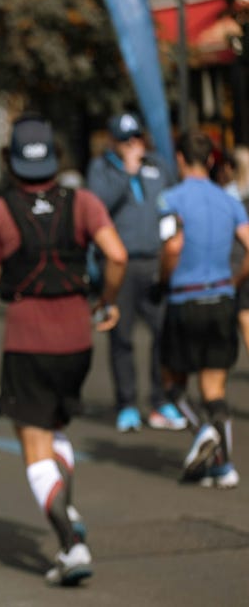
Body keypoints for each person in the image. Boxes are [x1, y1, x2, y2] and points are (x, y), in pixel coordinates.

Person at [0, 115, 127, 586]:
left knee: (33, 442)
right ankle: (69, 510)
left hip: (28, 339)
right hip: (77, 337)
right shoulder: (83, 202)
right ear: (55, 158)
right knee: (56, 426)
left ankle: (70, 545)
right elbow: (117, 255)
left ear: (10, 161)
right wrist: (106, 300)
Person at [157, 131, 249, 490]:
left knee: (172, 382)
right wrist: (235, 280)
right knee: (214, 389)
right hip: (221, 297)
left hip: (186, 298)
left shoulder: (171, 199)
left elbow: (172, 246)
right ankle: (223, 468)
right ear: (211, 160)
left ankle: (203, 431)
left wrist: (164, 279)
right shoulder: (229, 201)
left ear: (180, 159)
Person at [86, 112, 184, 433]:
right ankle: (127, 404)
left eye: (136, 138)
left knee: (163, 332)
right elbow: (96, 208)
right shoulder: (101, 168)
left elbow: (172, 203)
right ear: (113, 141)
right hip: (119, 265)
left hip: (154, 261)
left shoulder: (157, 165)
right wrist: (127, 173)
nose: (133, 145)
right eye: (125, 140)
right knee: (122, 336)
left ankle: (160, 400)